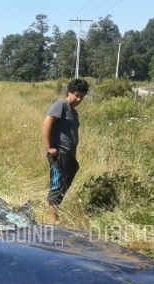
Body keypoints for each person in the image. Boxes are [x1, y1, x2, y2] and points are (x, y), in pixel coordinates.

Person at [42, 78, 90, 223]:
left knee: (68, 178)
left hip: (69, 154)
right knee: (57, 183)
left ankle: (56, 210)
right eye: (77, 95)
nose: (79, 98)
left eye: (82, 96)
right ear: (69, 92)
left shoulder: (73, 112)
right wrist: (49, 147)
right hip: (59, 153)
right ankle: (53, 218)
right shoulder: (61, 105)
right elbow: (47, 124)